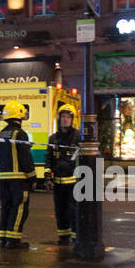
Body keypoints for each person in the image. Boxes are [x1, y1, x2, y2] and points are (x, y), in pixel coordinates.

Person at [0, 100, 36, 249]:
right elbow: (26, 158)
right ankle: (13, 240)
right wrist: (32, 177)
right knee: (19, 208)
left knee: (6, 207)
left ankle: (4, 237)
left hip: (3, 179)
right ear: (19, 115)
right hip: (18, 179)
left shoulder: (1, 133)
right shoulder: (20, 134)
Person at [46, 103, 80, 245]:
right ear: (59, 118)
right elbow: (48, 158)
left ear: (72, 119)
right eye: (63, 117)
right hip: (58, 183)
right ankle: (63, 237)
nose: (65, 119)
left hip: (73, 182)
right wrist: (48, 177)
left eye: (68, 117)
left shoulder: (78, 136)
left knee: (73, 211)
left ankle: (75, 237)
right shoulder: (53, 139)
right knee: (60, 211)